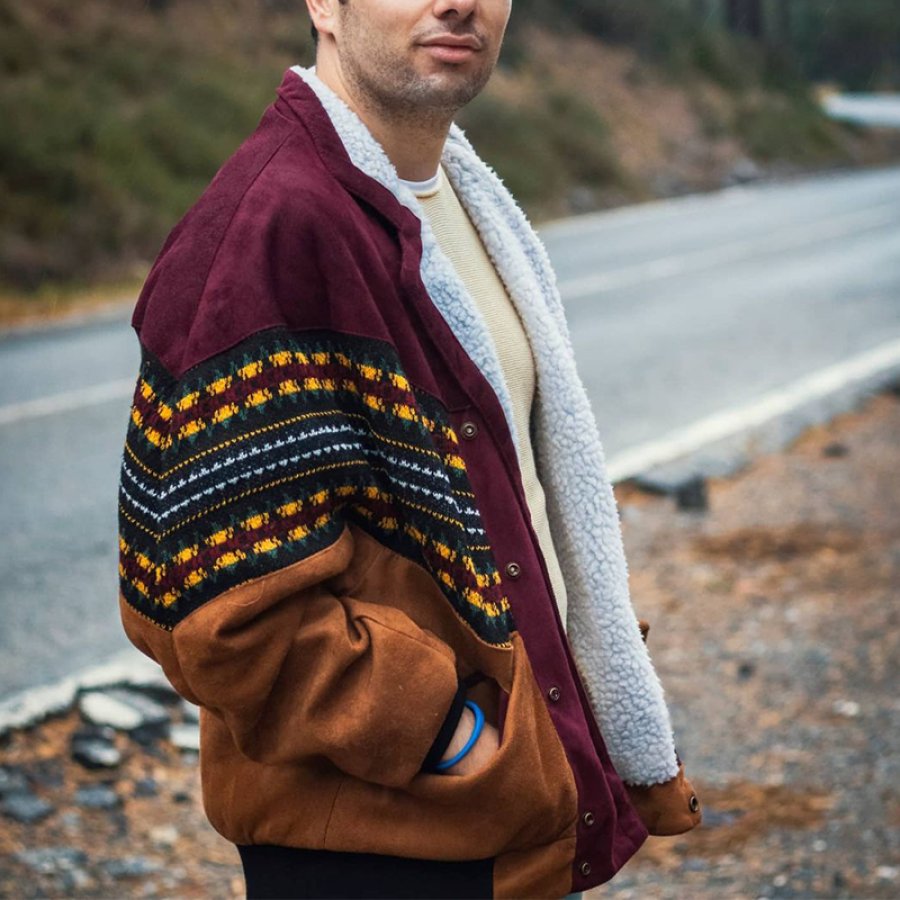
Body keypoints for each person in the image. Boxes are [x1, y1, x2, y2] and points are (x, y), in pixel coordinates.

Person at [116, 0, 702, 897]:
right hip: (377, 839)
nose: (458, 2)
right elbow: (206, 604)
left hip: (500, 819)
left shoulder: (465, 201)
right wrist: (448, 733)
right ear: (323, 4)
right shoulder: (268, 227)